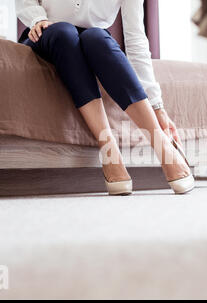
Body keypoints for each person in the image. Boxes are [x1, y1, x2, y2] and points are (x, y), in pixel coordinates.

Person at [16, 0, 194, 195]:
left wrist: (157, 105)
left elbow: (135, 39)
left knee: (96, 37)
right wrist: (36, 17)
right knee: (64, 32)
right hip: (47, 32)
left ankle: (161, 144)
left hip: (93, 41)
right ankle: (109, 149)